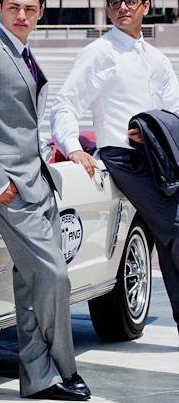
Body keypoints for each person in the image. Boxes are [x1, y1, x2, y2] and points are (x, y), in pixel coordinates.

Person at [0, 0, 91, 401]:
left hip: (38, 183)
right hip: (11, 189)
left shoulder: (23, 54)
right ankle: (66, 370)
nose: (22, 16)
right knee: (54, 276)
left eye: (30, 8)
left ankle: (38, 379)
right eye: (13, 7)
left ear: (42, 12)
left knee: (32, 286)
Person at [50, 0, 179, 337]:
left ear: (147, 6)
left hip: (160, 159)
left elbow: (176, 110)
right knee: (175, 230)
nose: (123, 7)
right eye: (114, 2)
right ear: (107, 9)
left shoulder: (157, 59)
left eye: (131, 1)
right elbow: (65, 103)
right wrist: (74, 148)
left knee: (168, 242)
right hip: (122, 158)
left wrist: (155, 129)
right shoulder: (100, 52)